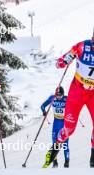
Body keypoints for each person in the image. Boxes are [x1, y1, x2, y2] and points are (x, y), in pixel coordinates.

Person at [43, 32, 94, 168]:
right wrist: (64, 60)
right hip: (78, 91)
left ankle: (93, 157)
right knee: (69, 129)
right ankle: (55, 147)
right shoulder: (82, 46)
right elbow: (60, 62)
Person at [41, 86, 70, 168]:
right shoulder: (52, 98)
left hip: (65, 124)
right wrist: (44, 111)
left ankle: (67, 162)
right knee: (55, 143)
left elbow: (75, 105)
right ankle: (55, 162)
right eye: (57, 95)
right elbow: (42, 106)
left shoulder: (66, 99)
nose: (59, 97)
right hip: (56, 123)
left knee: (65, 144)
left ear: (63, 94)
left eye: (60, 95)